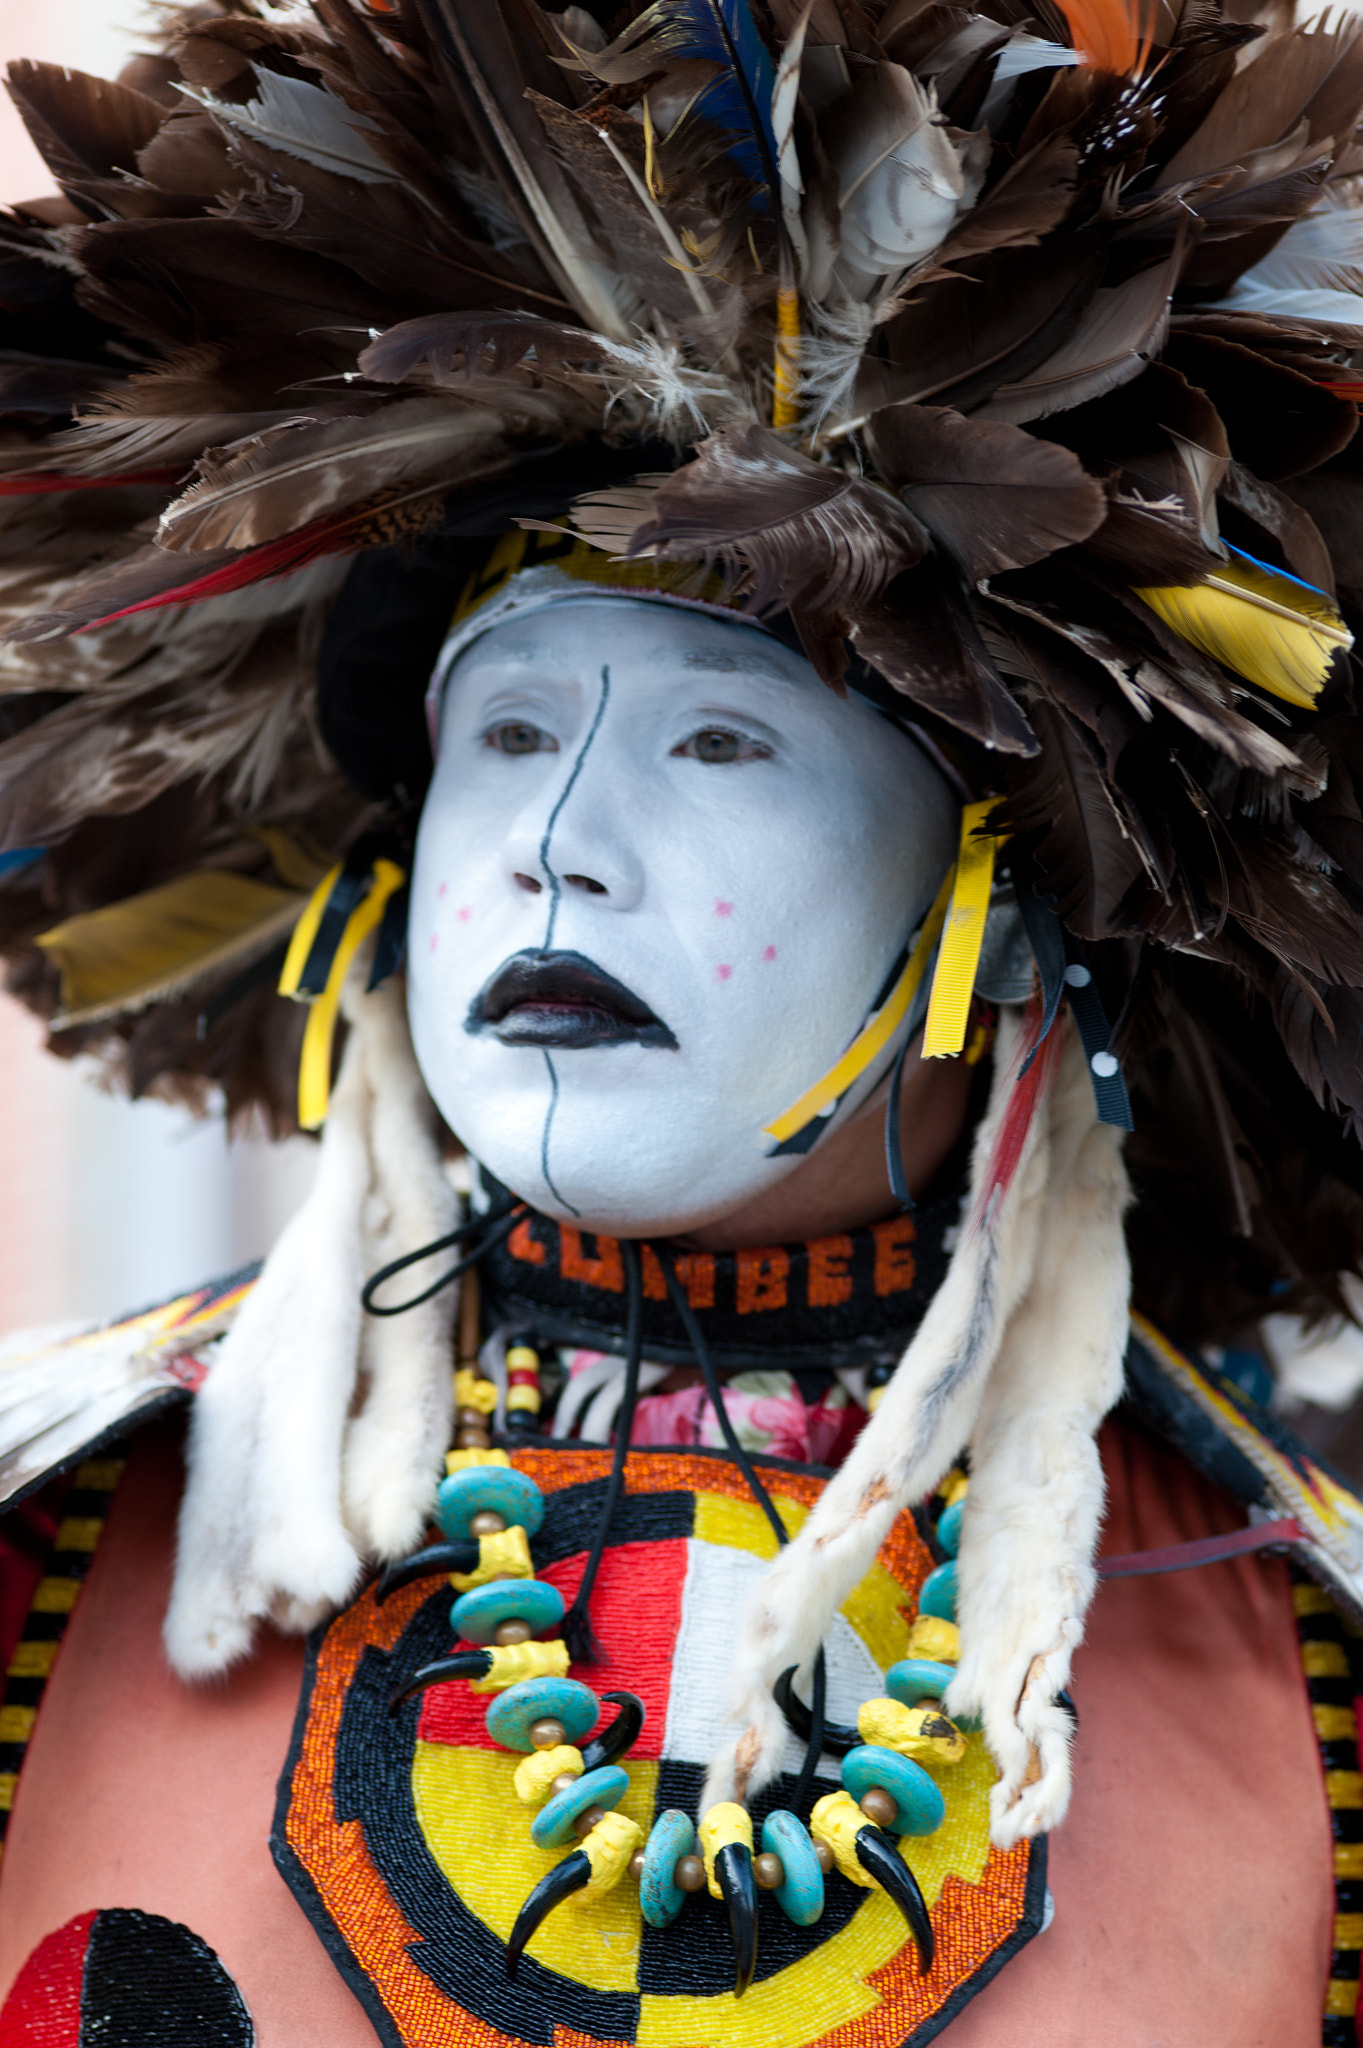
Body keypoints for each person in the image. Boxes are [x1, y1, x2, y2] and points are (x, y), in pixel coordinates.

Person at [0, 0, 1360, 2042]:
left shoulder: (1293, 1638)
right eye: (513, 731)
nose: (554, 849)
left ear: (997, 909)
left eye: (720, 741)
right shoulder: (56, 1536)